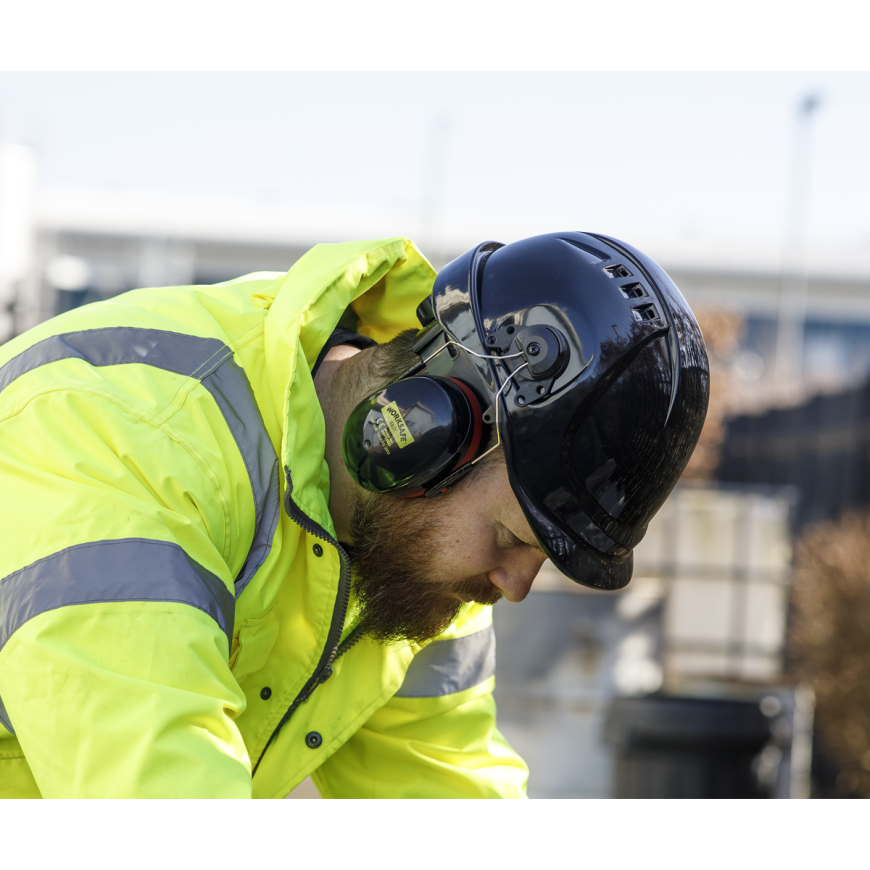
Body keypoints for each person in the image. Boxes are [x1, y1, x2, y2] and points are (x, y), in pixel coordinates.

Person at [0, 232, 709, 798]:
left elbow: (443, 775)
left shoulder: (413, 561)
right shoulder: (124, 440)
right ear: (421, 432)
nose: (516, 585)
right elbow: (152, 771)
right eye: (511, 538)